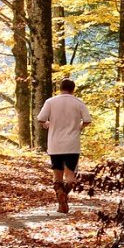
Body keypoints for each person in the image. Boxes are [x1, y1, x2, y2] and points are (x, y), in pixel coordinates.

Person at [37, 79, 92, 213]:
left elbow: (41, 119)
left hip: (55, 144)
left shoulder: (50, 101)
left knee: (57, 175)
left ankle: (60, 197)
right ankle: (64, 194)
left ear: (60, 88)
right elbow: (87, 120)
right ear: (73, 89)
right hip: (72, 145)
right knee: (70, 175)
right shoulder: (78, 102)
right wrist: (79, 127)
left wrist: (47, 125)